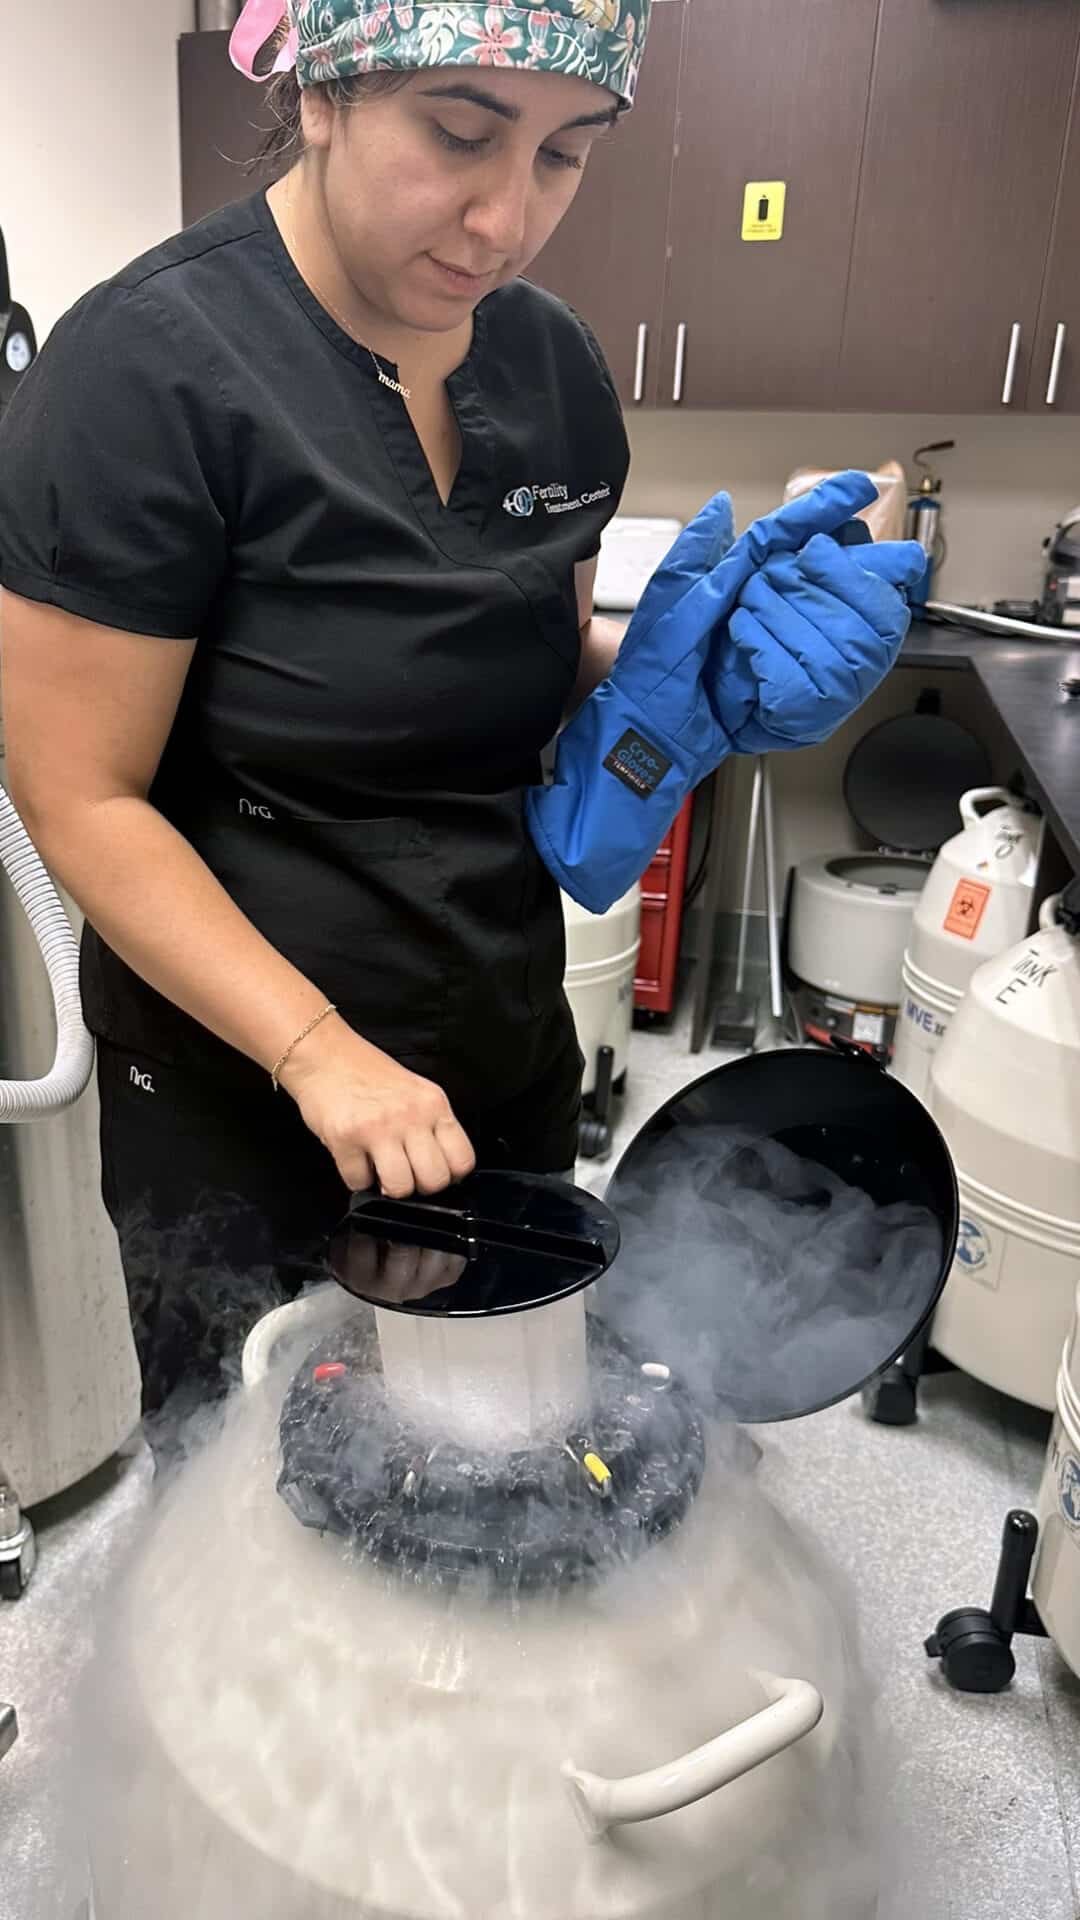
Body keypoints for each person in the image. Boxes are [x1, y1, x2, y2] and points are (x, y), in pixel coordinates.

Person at [0, 0, 920, 1418]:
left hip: (491, 1041)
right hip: (242, 1091)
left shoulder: (550, 371)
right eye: (459, 132)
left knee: (501, 1456)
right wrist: (319, 1056)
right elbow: (79, 795)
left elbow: (515, 686)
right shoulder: (145, 371)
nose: (505, 220)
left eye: (565, 155)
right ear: (321, 92)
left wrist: (690, 688)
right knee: (256, 1502)